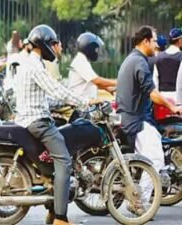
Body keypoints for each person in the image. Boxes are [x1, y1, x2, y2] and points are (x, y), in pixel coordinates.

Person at [14, 24, 97, 225]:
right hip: (37, 122)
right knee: (64, 161)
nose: (56, 47)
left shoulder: (33, 63)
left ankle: (52, 212)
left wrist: (65, 103)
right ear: (44, 44)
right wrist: (85, 101)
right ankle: (61, 218)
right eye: (54, 44)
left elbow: (46, 98)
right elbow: (56, 89)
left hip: (34, 118)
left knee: (57, 158)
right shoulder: (34, 66)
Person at [116, 25, 182, 212]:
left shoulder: (133, 59)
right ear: (145, 41)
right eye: (153, 41)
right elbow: (152, 93)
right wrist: (173, 107)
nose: (156, 45)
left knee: (150, 157)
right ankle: (139, 203)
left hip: (132, 117)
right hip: (137, 121)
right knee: (154, 158)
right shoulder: (139, 62)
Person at [68, 32, 117, 100]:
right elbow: (96, 80)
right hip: (81, 105)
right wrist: (117, 82)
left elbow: (91, 81)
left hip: (85, 103)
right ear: (89, 49)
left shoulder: (82, 60)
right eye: (95, 49)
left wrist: (107, 88)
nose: (96, 52)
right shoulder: (80, 62)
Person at [153, 27, 182, 100]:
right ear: (180, 41)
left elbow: (155, 79)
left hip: (162, 98)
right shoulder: (180, 57)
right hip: (178, 97)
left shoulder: (158, 57)